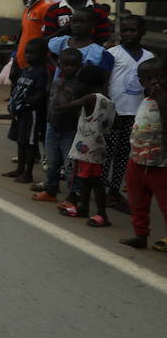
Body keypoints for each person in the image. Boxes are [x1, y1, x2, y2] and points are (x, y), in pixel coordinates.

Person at [105, 15, 154, 211]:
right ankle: (101, 189)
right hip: (114, 112)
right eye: (124, 30)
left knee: (124, 154)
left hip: (136, 114)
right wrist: (108, 108)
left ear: (143, 32)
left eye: (132, 30)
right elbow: (104, 81)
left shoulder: (149, 57)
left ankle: (114, 191)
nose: (128, 34)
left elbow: (150, 86)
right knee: (107, 152)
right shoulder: (112, 53)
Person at [58, 64, 114, 225]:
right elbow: (116, 123)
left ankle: (102, 214)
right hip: (97, 146)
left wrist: (61, 90)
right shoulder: (108, 101)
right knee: (87, 179)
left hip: (87, 148)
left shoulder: (90, 98)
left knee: (95, 182)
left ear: (84, 83)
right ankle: (84, 207)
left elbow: (64, 107)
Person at [121, 60, 167, 250]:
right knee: (137, 202)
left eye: (160, 77)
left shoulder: (164, 100)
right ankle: (140, 235)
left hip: (161, 164)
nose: (155, 82)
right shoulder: (146, 100)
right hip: (137, 161)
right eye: (149, 79)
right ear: (141, 82)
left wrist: (162, 102)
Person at [33, 47, 84, 205]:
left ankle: (74, 195)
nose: (69, 68)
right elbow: (50, 101)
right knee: (52, 161)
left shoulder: (79, 86)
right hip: (53, 126)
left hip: (70, 129)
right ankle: (51, 190)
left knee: (70, 165)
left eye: (73, 65)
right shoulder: (56, 81)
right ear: (60, 64)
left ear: (80, 66)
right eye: (65, 64)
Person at [4, 37, 50, 184]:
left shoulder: (41, 72)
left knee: (30, 143)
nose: (28, 56)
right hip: (20, 112)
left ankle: (28, 173)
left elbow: (40, 94)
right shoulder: (25, 71)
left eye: (32, 54)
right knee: (20, 141)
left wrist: (26, 103)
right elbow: (17, 89)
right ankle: (20, 169)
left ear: (42, 55)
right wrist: (13, 104)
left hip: (31, 113)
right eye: (27, 53)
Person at [14, 0, 58, 70]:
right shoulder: (29, 6)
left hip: (36, 65)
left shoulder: (48, 7)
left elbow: (49, 37)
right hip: (22, 61)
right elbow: (23, 33)